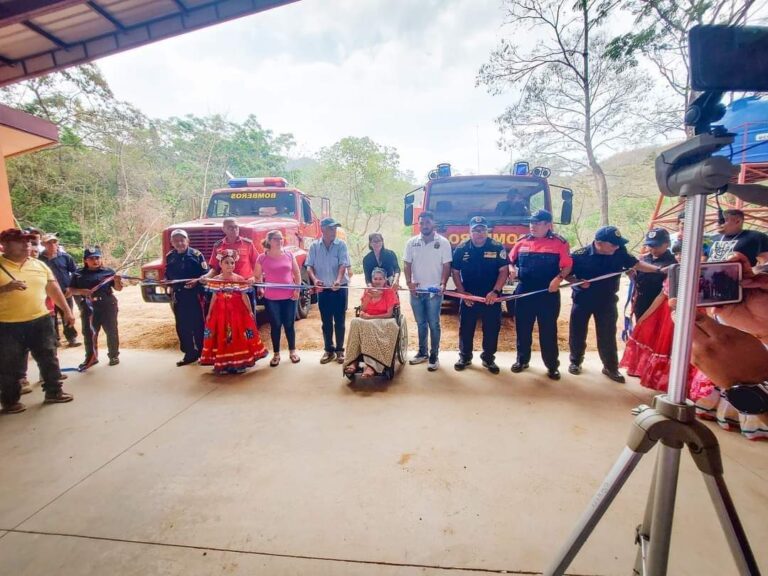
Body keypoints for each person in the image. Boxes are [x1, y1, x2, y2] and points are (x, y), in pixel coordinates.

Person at [568, 226, 668, 383]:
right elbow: (566, 274)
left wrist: (659, 270)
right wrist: (577, 282)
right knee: (578, 332)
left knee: (607, 334)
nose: (616, 246)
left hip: (607, 300)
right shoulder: (580, 255)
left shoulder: (619, 251)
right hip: (583, 299)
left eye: (617, 244)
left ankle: (610, 367)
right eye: (613, 244)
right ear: (599, 243)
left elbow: (636, 264)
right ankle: (575, 361)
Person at [0, 228, 74, 413]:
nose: (27, 245)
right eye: (20, 241)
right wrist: (5, 289)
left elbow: (54, 289)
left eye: (29, 242)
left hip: (40, 320)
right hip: (7, 324)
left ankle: (54, 391)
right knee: (10, 364)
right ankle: (10, 401)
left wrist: (66, 310)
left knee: (49, 357)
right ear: (5, 246)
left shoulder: (39, 265)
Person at [507, 209, 572, 379]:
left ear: (548, 225)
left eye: (536, 223)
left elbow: (567, 266)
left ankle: (551, 365)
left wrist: (558, 279)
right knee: (523, 328)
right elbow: (510, 261)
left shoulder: (560, 243)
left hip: (547, 292)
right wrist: (512, 269)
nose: (532, 226)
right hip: (524, 290)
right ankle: (522, 360)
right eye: (531, 223)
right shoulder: (522, 241)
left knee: (548, 329)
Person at [451, 216, 509, 374]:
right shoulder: (462, 248)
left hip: (491, 297)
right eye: (475, 230)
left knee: (491, 328)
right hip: (469, 297)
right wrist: (462, 293)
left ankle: (488, 358)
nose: (479, 233)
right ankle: (465, 357)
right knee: (466, 328)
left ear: (487, 231)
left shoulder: (497, 247)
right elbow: (455, 272)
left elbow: (504, 271)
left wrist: (495, 291)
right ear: (469, 231)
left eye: (482, 229)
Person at [200, 250, 267, 374]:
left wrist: (250, 310)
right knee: (222, 335)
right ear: (220, 264)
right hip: (220, 314)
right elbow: (214, 297)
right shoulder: (216, 280)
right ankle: (224, 362)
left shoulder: (239, 279)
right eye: (226, 263)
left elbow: (244, 296)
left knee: (237, 335)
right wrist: (209, 313)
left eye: (232, 263)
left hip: (237, 313)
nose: (230, 265)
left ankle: (239, 361)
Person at [403, 211, 452, 371]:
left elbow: (446, 265)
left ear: (434, 223)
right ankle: (422, 353)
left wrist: (443, 283)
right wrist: (409, 283)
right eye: (422, 223)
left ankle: (434, 356)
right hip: (416, 292)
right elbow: (407, 264)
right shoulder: (411, 242)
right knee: (421, 324)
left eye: (427, 223)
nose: (424, 226)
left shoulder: (443, 242)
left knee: (434, 324)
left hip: (434, 292)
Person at [69, 246, 123, 370]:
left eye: (97, 258)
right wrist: (81, 291)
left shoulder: (108, 271)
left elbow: (118, 288)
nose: (95, 261)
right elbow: (70, 290)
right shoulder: (78, 273)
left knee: (111, 331)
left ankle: (113, 356)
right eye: (91, 258)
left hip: (107, 305)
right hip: (89, 307)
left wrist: (117, 281)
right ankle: (91, 358)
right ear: (85, 260)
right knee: (89, 333)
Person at [306, 218, 351, 364]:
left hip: (340, 288)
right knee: (326, 321)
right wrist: (314, 280)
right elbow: (309, 266)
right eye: (331, 229)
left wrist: (338, 280)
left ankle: (339, 351)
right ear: (323, 229)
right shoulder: (314, 246)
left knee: (340, 320)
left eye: (335, 229)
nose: (334, 231)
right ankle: (328, 350)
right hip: (323, 289)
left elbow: (343, 264)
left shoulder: (341, 245)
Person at [343, 268, 400, 377]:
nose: (377, 281)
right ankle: (353, 362)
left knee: (369, 324)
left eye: (380, 279)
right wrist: (369, 297)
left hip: (384, 320)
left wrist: (370, 317)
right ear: (372, 280)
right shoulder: (367, 290)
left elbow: (389, 314)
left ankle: (371, 366)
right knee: (355, 321)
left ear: (385, 280)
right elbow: (363, 309)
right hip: (368, 320)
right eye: (375, 278)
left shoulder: (389, 291)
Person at [257, 230, 302, 366]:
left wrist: (297, 289)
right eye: (276, 239)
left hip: (289, 296)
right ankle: (276, 354)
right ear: (269, 241)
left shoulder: (289, 255)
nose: (279, 241)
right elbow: (257, 275)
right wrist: (260, 287)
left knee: (289, 324)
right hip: (271, 297)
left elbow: (297, 273)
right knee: (275, 325)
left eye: (281, 238)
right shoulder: (262, 257)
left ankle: (292, 351)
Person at [164, 229, 208, 367]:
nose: (179, 243)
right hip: (179, 296)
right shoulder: (170, 256)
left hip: (195, 296)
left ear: (188, 240)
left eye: (182, 240)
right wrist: (167, 283)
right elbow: (168, 275)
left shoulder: (196, 255)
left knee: (198, 325)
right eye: (176, 240)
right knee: (182, 326)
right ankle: (189, 353)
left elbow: (205, 275)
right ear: (172, 243)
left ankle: (202, 353)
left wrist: (197, 281)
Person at [39, 232, 81, 347]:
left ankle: (71, 337)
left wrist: (71, 287)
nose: (52, 245)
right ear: (43, 244)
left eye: (54, 242)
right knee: (51, 317)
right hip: (48, 294)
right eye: (49, 243)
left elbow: (75, 272)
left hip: (65, 292)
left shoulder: (65, 257)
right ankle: (54, 339)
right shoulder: (39, 260)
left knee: (67, 314)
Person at [631, 228, 676, 320]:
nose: (653, 249)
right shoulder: (642, 260)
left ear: (667, 244)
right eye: (650, 246)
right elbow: (637, 280)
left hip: (660, 304)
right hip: (641, 302)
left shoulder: (673, 263)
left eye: (656, 246)